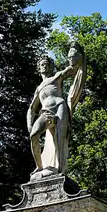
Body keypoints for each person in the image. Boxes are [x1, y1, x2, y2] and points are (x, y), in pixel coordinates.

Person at [26, 43, 86, 177]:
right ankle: (39, 167)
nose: (45, 66)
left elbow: (72, 69)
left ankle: (59, 169)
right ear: (39, 68)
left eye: (47, 64)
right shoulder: (39, 88)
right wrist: (29, 124)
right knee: (34, 135)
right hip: (46, 112)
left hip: (60, 106)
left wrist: (76, 56)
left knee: (60, 138)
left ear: (51, 66)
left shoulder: (56, 77)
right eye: (42, 64)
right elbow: (31, 108)